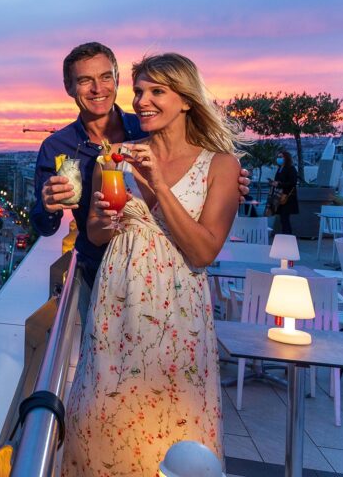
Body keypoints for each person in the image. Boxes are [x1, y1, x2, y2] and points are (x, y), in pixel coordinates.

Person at [62, 53, 243, 475]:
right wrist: (102, 222)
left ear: (185, 100)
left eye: (157, 91)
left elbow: (202, 252)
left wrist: (159, 184)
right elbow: (94, 233)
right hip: (115, 312)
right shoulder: (114, 158)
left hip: (179, 320)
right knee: (100, 427)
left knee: (174, 434)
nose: (142, 101)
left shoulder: (221, 166)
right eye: (139, 91)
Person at [31, 42, 249, 291]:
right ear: (69, 87)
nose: (97, 88)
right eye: (84, 80)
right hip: (97, 276)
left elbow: (199, 166)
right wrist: (48, 206)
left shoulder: (149, 122)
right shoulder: (56, 146)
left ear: (117, 79)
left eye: (105, 77)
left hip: (173, 281)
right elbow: (44, 226)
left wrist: (231, 184)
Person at [271, 150, 299, 234]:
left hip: (287, 197)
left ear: (286, 158)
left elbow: (292, 182)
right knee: (282, 218)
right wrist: (274, 183)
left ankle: (287, 236)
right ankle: (286, 236)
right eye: (278, 157)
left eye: (281, 157)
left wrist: (279, 184)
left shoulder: (291, 168)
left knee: (285, 217)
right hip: (280, 196)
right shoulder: (280, 169)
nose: (279, 159)